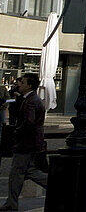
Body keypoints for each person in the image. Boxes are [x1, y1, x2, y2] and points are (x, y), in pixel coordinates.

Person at [1, 74, 48, 211]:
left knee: (20, 172)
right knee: (24, 171)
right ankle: (11, 202)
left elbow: (29, 122)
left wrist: (16, 132)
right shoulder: (28, 99)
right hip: (29, 142)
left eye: (22, 82)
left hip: (26, 143)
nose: (19, 84)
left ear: (29, 85)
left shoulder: (32, 101)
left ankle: (11, 203)